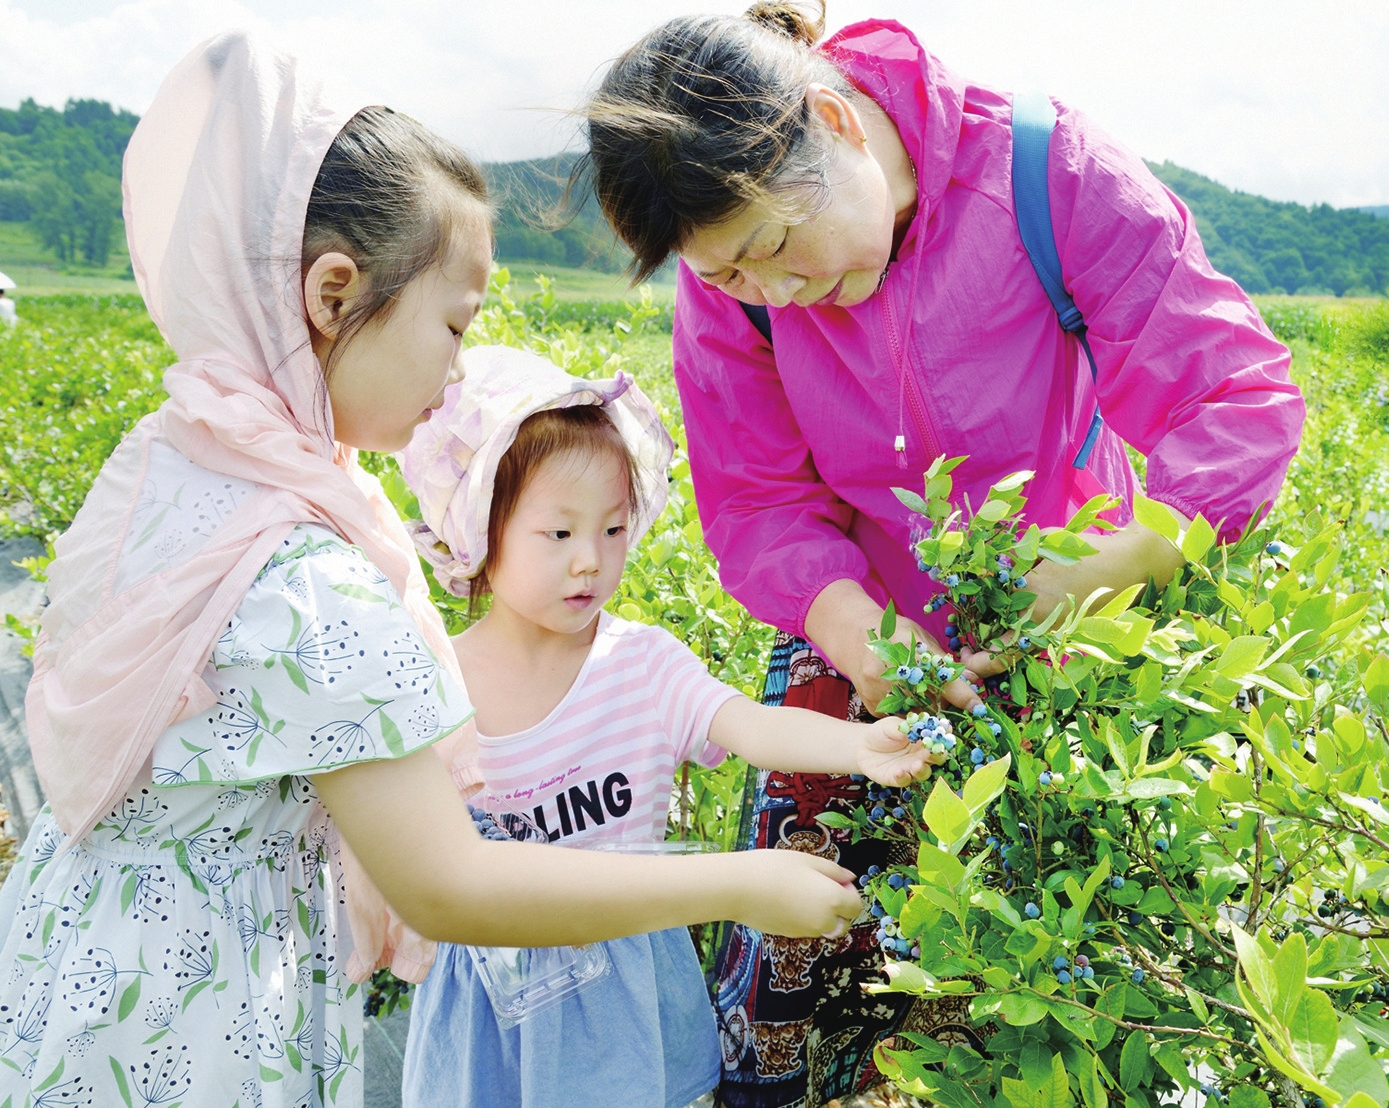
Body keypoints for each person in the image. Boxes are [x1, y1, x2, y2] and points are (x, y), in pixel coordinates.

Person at [0, 35, 863, 1105]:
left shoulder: (178, 460)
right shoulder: (304, 582)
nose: (459, 372)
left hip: (78, 968)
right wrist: (741, 881)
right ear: (332, 295)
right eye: (452, 324)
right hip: (196, 1021)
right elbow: (451, 883)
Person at [573, 4, 1305, 1103]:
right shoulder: (731, 290)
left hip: (1063, 645)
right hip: (863, 644)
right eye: (728, 277)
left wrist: (1091, 578)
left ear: (836, 120)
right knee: (800, 960)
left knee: (1027, 987)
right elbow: (759, 503)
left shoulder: (1043, 174)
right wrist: (866, 642)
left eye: (773, 249)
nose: (768, 294)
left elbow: (1230, 399)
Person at [396, 345, 936, 1108]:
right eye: (559, 535)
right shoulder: (436, 686)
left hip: (630, 984)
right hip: (498, 1002)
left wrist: (861, 748)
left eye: (613, 531)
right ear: (482, 529)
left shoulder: (640, 663)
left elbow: (746, 725)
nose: (590, 561)